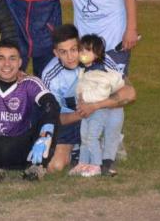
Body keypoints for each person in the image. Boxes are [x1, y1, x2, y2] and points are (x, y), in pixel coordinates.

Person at [43, 24, 136, 173]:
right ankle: (80, 149)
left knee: (116, 105)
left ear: (80, 45)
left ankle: (108, 145)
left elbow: (130, 93)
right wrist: (82, 112)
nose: (70, 57)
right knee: (55, 166)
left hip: (100, 115)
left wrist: (95, 106)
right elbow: (55, 118)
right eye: (63, 52)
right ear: (55, 53)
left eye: (74, 49)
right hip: (72, 121)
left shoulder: (98, 59)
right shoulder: (50, 75)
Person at [0, 40, 60, 181]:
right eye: (1, 58)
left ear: (20, 62)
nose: (7, 64)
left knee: (51, 117)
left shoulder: (30, 83)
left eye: (12, 58)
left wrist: (45, 134)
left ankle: (37, 167)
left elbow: (51, 104)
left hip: (20, 147)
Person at [67, 35, 126, 177]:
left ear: (97, 54)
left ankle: (96, 165)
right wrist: (79, 102)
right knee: (84, 137)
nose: (83, 54)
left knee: (92, 138)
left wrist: (83, 99)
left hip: (98, 112)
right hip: (85, 110)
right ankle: (83, 163)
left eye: (88, 51)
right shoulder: (85, 70)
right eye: (81, 50)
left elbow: (102, 93)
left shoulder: (100, 73)